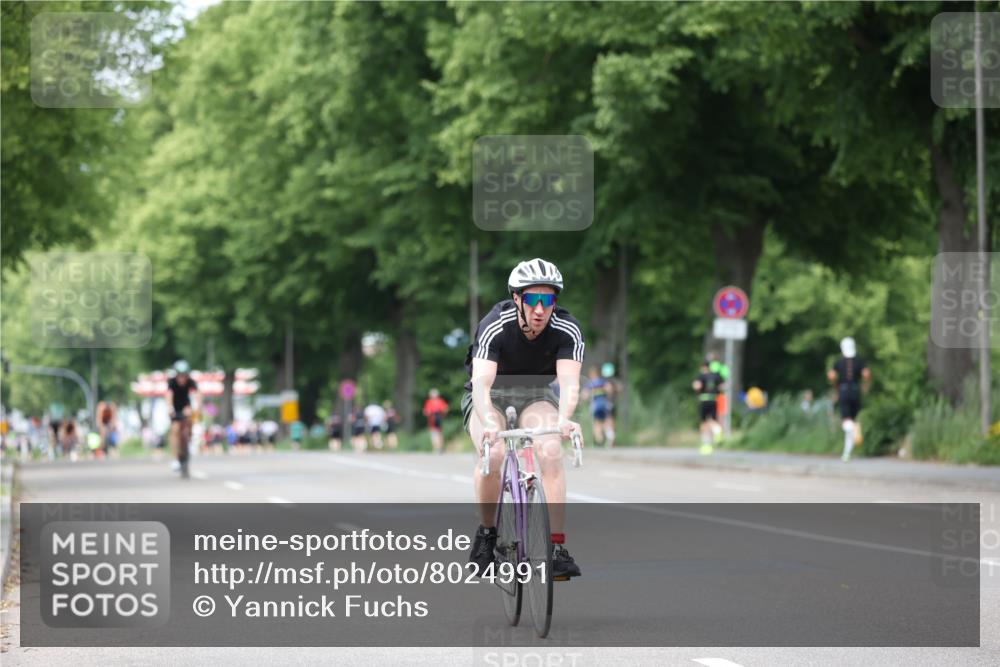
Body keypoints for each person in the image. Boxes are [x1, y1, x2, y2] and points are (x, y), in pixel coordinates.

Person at [463, 258, 585, 580]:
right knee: (495, 453)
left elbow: (570, 383)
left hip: (535, 394)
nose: (541, 309)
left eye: (549, 300)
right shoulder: (495, 323)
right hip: (491, 395)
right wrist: (490, 423)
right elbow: (481, 384)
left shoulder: (566, 328)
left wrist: (564, 419)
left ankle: (557, 549)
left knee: (551, 450)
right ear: (517, 298)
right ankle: (487, 535)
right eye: (533, 299)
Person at [827, 336, 871, 462]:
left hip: (844, 391)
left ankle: (854, 434)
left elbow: (831, 376)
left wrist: (836, 386)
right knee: (852, 420)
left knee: (847, 422)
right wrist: (866, 386)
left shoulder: (839, 362)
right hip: (856, 391)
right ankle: (847, 453)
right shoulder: (859, 361)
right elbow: (867, 374)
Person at [166, 360, 200, 478]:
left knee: (190, 421)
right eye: (180, 376)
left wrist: (196, 408)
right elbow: (169, 395)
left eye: (184, 376)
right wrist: (170, 408)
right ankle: (175, 459)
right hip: (175, 409)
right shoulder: (171, 382)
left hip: (187, 408)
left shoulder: (191, 382)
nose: (182, 379)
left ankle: (189, 440)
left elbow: (197, 395)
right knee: (175, 430)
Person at [693, 358, 724, 454]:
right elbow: (723, 386)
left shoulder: (701, 376)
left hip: (704, 400)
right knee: (713, 420)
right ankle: (717, 431)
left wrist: (697, 390)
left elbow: (696, 386)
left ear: (703, 367)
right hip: (714, 400)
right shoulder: (716, 376)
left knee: (704, 423)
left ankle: (706, 445)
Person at [582, 365, 615, 448]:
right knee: (607, 421)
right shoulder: (602, 381)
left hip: (595, 406)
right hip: (604, 404)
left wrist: (584, 399)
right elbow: (609, 389)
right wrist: (608, 396)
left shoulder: (589, 384)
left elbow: (584, 395)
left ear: (591, 374)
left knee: (597, 422)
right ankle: (610, 436)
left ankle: (599, 439)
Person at [423, 389, 449, 453]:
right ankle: (441, 447)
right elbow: (446, 409)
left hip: (433, 418)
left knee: (434, 433)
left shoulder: (429, 402)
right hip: (439, 418)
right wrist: (443, 415)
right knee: (439, 433)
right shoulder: (440, 401)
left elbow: (426, 412)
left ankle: (436, 448)